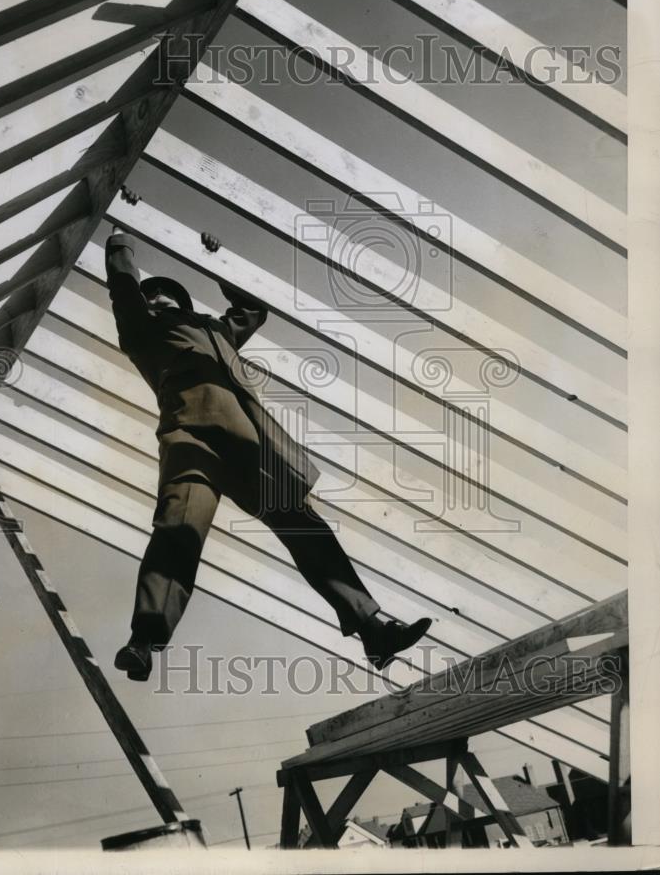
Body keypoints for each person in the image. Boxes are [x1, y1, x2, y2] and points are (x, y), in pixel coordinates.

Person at [106, 190, 431, 681]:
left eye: (167, 292)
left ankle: (372, 629)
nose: (159, 297)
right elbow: (123, 287)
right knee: (178, 530)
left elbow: (252, 307)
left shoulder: (214, 329)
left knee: (305, 527)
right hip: (192, 444)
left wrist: (216, 260)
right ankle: (144, 640)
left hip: (252, 446)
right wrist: (120, 231)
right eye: (153, 295)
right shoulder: (142, 332)